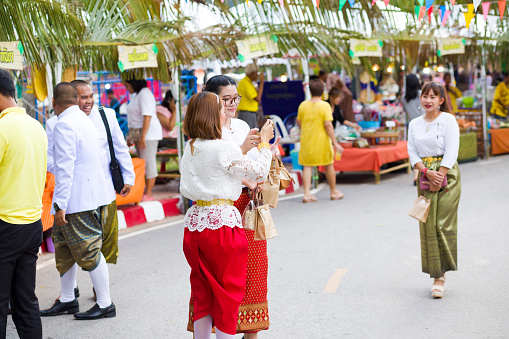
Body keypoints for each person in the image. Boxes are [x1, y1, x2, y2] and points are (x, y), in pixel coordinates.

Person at [185, 75, 280, 338]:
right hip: (227, 209)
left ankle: (248, 333)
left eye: (235, 98)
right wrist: (261, 147)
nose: (232, 104)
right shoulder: (214, 135)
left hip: (240, 206)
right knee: (224, 283)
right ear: (211, 102)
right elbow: (230, 162)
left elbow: (224, 163)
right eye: (226, 100)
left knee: (251, 276)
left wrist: (258, 153)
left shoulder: (219, 133)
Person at [39, 83, 116, 320]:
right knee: (64, 248)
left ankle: (105, 303)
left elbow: (65, 168)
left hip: (77, 200)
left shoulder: (63, 124)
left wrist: (60, 205)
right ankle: (67, 299)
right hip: (90, 195)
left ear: (54, 103)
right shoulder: (84, 120)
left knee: (88, 250)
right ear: (75, 99)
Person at [0, 69, 47, 339]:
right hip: (32, 225)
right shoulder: (35, 125)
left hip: (5, 225)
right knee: (25, 301)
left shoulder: (3, 128)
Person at [407, 82, 461, 299]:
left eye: (433, 96)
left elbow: (452, 149)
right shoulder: (414, 124)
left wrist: (441, 173)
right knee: (428, 223)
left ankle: (441, 276)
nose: (428, 100)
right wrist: (425, 172)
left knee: (442, 224)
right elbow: (411, 150)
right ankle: (436, 274)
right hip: (425, 176)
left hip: (447, 176)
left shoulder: (448, 120)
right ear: (420, 99)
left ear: (441, 100)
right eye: (425, 96)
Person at [297, 78, 344, 203]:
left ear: (310, 91)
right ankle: (333, 192)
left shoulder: (303, 105)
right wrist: (335, 142)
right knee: (329, 165)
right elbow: (328, 125)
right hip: (322, 141)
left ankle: (307, 194)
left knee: (307, 166)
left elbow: (299, 122)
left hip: (307, 140)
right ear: (323, 92)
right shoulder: (325, 106)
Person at [124, 79, 163, 200]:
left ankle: (149, 193)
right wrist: (132, 136)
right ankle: (144, 190)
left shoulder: (145, 94)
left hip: (148, 134)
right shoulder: (137, 94)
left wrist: (143, 137)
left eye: (127, 85)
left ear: (134, 83)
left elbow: (147, 116)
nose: (126, 88)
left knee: (148, 163)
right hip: (141, 134)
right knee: (143, 162)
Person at [401, 74, 423, 185]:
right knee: (423, 151)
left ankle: (415, 175)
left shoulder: (404, 98)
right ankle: (421, 173)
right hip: (423, 125)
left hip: (412, 126)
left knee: (414, 152)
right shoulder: (421, 95)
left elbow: (406, 112)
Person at [237, 63, 265, 128]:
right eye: (256, 73)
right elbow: (258, 98)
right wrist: (262, 83)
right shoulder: (245, 83)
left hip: (249, 113)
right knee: (250, 134)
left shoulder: (248, 82)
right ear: (252, 73)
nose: (257, 75)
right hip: (247, 114)